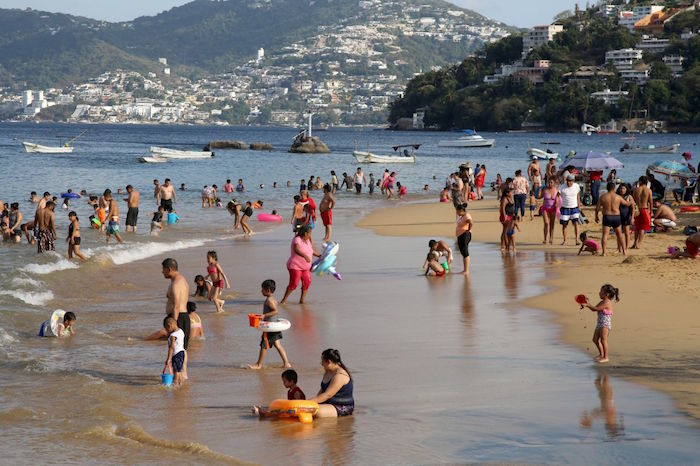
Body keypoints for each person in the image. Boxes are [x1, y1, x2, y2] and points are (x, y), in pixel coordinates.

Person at [248, 279, 292, 370]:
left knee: (263, 345)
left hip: (270, 327)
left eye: (262, 289)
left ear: (267, 290)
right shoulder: (273, 299)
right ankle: (286, 363)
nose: (261, 291)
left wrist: (264, 315)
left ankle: (259, 364)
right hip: (274, 326)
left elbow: (275, 311)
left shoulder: (269, 300)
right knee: (277, 345)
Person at [308, 349, 354, 418]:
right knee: (308, 408)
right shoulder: (328, 371)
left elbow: (327, 395)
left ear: (329, 362)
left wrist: (308, 402)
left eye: (322, 362)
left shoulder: (340, 375)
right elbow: (322, 390)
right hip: (329, 403)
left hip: (342, 406)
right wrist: (311, 402)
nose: (321, 364)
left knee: (316, 412)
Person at [280, 225, 319, 305]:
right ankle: (284, 300)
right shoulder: (297, 239)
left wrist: (320, 255)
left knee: (307, 282)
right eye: (309, 233)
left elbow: (311, 251)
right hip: (295, 266)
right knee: (294, 284)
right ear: (305, 233)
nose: (310, 235)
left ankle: (302, 300)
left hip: (305, 268)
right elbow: (296, 249)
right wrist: (305, 256)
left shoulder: (308, 241)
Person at [581, 284, 619, 363]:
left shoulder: (607, 303)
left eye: (601, 291)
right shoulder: (602, 302)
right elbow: (594, 309)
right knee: (595, 339)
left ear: (606, 294)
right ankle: (601, 355)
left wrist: (587, 305)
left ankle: (606, 357)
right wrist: (587, 303)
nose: (599, 293)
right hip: (599, 324)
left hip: (605, 325)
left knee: (603, 340)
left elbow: (596, 309)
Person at [595, 182, 632, 256]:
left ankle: (604, 252)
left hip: (607, 216)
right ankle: (624, 251)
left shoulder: (603, 197)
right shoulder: (618, 197)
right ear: (614, 188)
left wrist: (596, 216)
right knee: (620, 235)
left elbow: (597, 208)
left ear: (607, 188)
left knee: (605, 235)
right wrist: (631, 202)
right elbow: (626, 204)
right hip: (616, 217)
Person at [557, 175, 582, 246]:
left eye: (570, 181)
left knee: (576, 223)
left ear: (573, 181)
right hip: (565, 208)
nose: (569, 182)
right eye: (568, 181)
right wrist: (557, 204)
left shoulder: (576, 186)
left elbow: (578, 196)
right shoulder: (562, 187)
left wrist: (579, 206)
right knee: (564, 225)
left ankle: (577, 240)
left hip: (574, 208)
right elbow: (557, 195)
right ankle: (565, 240)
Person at [163, 316, 186, 387]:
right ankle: (180, 383)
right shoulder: (181, 331)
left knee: (175, 371)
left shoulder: (173, 335)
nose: (167, 331)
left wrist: (168, 359)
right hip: (182, 352)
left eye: (167, 329)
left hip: (176, 354)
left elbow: (172, 347)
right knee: (179, 370)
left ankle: (175, 384)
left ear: (169, 326)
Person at [632, 176, 653, 249]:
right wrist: (651, 211)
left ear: (640, 181)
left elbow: (633, 201)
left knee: (637, 227)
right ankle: (639, 243)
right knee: (642, 228)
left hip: (637, 210)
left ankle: (635, 243)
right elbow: (651, 202)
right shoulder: (648, 190)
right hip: (644, 209)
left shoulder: (636, 190)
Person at [455, 203, 473, 275]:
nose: (457, 213)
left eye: (457, 211)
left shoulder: (466, 216)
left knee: (465, 252)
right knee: (463, 252)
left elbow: (471, 222)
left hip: (465, 235)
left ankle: (466, 270)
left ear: (461, 210)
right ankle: (465, 269)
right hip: (461, 236)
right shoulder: (462, 216)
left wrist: (468, 230)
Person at [617, 184, 635, 253]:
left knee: (627, 233)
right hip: (618, 216)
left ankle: (626, 247)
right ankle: (619, 248)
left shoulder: (629, 197)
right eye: (621, 188)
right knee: (619, 233)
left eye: (623, 188)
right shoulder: (617, 196)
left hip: (627, 216)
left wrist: (632, 218)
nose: (622, 190)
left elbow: (633, 208)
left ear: (626, 189)